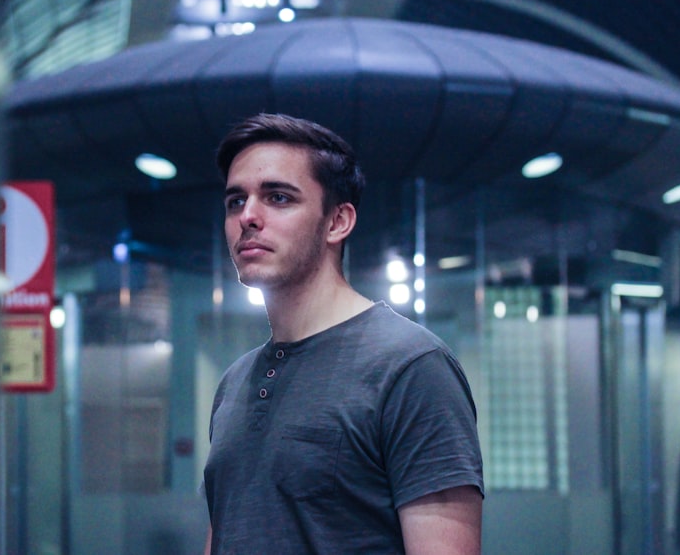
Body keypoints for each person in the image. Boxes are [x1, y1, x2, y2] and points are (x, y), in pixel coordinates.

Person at [202, 113, 484, 554]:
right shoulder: (234, 383)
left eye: (277, 197)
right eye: (236, 201)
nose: (248, 217)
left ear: (337, 222)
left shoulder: (411, 366)